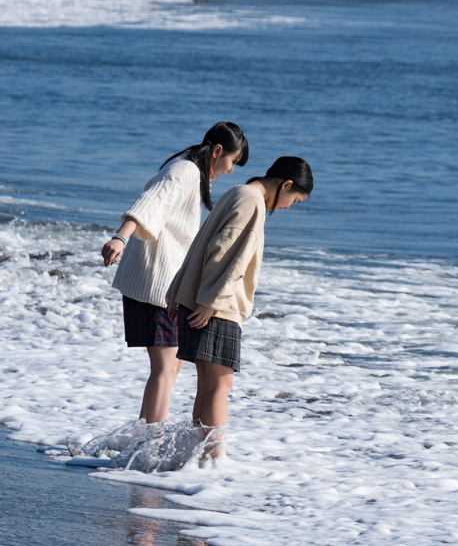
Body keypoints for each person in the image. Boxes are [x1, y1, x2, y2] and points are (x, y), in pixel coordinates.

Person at [102, 123, 249, 428]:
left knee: (172, 365)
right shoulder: (185, 172)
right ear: (218, 151)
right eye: (232, 162)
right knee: (166, 367)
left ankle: (143, 437)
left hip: (163, 283)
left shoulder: (190, 174)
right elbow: (151, 203)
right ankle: (149, 443)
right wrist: (121, 236)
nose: (232, 170)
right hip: (155, 281)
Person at [166, 156, 313, 459]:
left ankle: (196, 457)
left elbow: (199, 245)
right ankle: (214, 460)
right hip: (218, 305)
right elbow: (229, 255)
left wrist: (178, 293)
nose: (287, 207)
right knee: (221, 386)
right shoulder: (253, 202)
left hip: (199, 298)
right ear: (285, 184)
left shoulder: (237, 192)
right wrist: (211, 302)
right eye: (293, 200)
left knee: (208, 386)